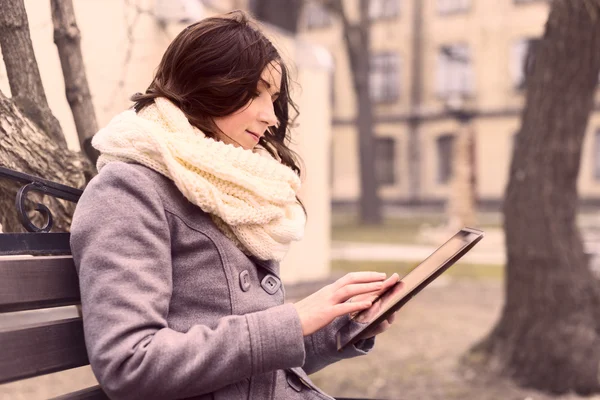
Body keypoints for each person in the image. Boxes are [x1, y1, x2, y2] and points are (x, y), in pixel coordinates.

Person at [70, 10, 399, 400]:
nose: (271, 117)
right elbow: (130, 364)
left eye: (274, 98)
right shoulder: (128, 191)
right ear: (208, 84)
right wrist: (293, 320)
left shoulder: (235, 188)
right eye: (255, 93)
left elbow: (253, 369)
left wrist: (338, 327)